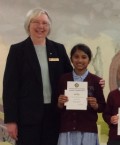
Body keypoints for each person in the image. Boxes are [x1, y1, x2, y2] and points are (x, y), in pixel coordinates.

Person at [2, 8, 73, 145]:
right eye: (36, 22)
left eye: (45, 23)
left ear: (49, 27)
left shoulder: (58, 49)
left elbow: (71, 77)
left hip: (54, 115)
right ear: (28, 25)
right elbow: (10, 88)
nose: (41, 26)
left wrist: (93, 81)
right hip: (27, 118)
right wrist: (11, 121)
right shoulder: (17, 51)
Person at [56, 43, 106, 145]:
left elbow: (102, 107)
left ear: (89, 60)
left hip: (88, 131)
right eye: (76, 57)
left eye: (84, 57)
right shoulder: (63, 79)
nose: (79, 60)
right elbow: (56, 107)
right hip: (67, 130)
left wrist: (95, 105)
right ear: (71, 59)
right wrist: (60, 103)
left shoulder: (96, 81)